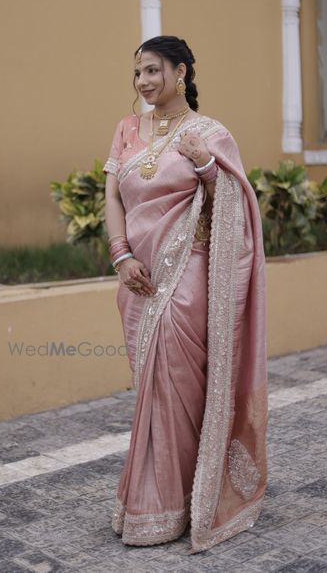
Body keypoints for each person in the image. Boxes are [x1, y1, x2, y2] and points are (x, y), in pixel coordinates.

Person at [103, 35, 268, 554]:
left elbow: (234, 213)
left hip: (185, 280)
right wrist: (121, 255)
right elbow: (112, 196)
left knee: (180, 388)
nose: (143, 81)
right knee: (149, 392)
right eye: (138, 72)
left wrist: (205, 167)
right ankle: (154, 500)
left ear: (180, 72)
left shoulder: (211, 133)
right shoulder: (126, 129)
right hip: (138, 278)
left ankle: (179, 501)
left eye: (153, 70)